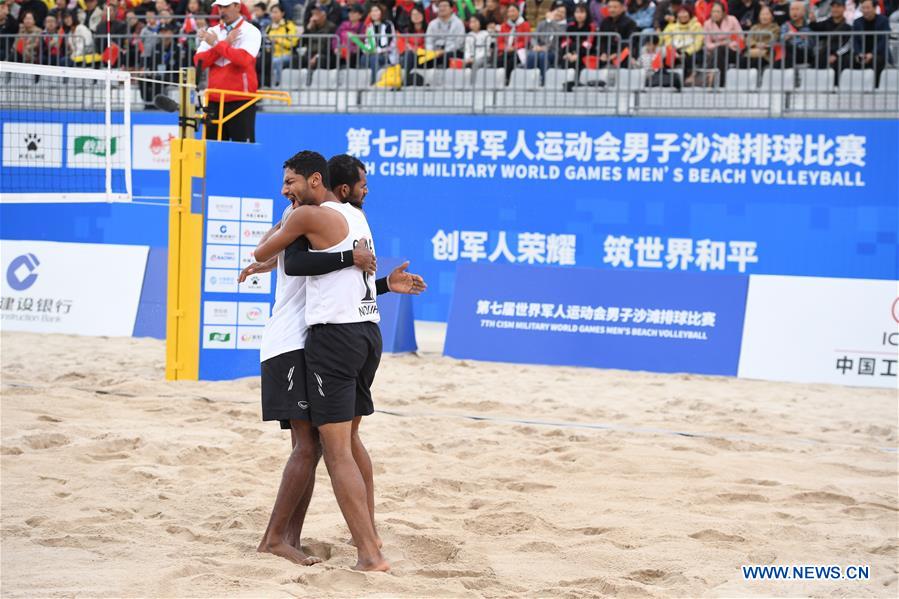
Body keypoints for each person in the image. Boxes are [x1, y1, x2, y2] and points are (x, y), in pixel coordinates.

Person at [250, 152, 386, 572]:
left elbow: (292, 261)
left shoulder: (319, 218)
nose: (284, 191)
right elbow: (282, 258)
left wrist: (379, 280)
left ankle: (291, 538)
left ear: (315, 180)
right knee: (314, 447)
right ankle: (279, 539)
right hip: (292, 344)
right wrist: (286, 224)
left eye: (290, 182)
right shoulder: (319, 217)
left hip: (312, 340)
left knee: (320, 446)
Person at [194, 0, 263, 142]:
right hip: (214, 100)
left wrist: (215, 43)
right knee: (212, 149)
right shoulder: (212, 31)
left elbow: (243, 60)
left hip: (241, 100)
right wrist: (225, 43)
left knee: (243, 150)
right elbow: (199, 62)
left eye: (225, 6)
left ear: (237, 6)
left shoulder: (251, 31)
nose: (222, 10)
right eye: (219, 6)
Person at [810, 0, 852, 85]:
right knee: (817, 61)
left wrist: (836, 55)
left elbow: (848, 45)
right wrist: (812, 22)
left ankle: (837, 87)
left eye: (838, 6)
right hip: (825, 53)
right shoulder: (825, 23)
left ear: (844, 8)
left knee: (843, 62)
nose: (835, 9)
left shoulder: (848, 27)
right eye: (833, 6)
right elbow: (815, 29)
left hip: (841, 55)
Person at [851, 0, 891, 86]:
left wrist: (872, 54)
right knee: (848, 60)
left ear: (875, 8)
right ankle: (854, 86)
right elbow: (855, 40)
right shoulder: (857, 22)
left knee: (877, 61)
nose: (865, 10)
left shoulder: (883, 20)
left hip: (878, 54)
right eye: (863, 8)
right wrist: (859, 53)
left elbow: (884, 40)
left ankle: (875, 86)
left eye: (868, 8)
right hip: (862, 54)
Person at [660, 4, 702, 84]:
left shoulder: (697, 26)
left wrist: (686, 53)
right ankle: (667, 80)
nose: (683, 15)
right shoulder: (671, 26)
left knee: (689, 58)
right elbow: (666, 39)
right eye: (680, 12)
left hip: (690, 52)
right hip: (675, 51)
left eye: (685, 12)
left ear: (689, 14)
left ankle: (686, 80)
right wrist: (674, 51)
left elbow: (698, 43)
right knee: (666, 58)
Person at [527, 0, 568, 84]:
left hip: (553, 51)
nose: (560, 14)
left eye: (563, 12)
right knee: (531, 55)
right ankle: (529, 79)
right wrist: (535, 46)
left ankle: (544, 81)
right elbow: (534, 37)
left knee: (543, 56)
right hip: (539, 49)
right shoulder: (542, 23)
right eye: (558, 11)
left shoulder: (564, 26)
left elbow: (559, 34)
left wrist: (552, 21)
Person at [702, 1, 741, 86]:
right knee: (719, 51)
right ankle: (718, 82)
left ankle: (710, 80)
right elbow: (707, 44)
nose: (715, 14)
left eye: (718, 11)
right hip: (716, 52)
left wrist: (728, 44)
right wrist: (722, 43)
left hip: (732, 51)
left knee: (719, 51)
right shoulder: (707, 24)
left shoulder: (732, 20)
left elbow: (740, 38)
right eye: (713, 11)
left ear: (723, 13)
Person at [422, 0, 465, 67]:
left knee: (447, 56)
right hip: (435, 52)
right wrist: (432, 52)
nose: (442, 8)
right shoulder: (432, 24)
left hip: (452, 52)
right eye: (440, 6)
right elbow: (428, 41)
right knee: (419, 57)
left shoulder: (458, 23)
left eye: (445, 6)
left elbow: (459, 43)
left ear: (451, 9)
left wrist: (444, 51)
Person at [495, 3, 530, 85]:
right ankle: (499, 80)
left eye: (513, 11)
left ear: (518, 12)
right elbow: (500, 41)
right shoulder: (504, 26)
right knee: (499, 60)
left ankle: (508, 79)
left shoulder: (525, 24)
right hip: (506, 50)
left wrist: (514, 47)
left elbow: (525, 40)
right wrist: (506, 47)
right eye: (509, 11)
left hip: (519, 51)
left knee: (512, 60)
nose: (511, 13)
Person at [266, 3, 298, 86]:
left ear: (282, 13)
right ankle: (264, 83)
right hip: (272, 54)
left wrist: (277, 40)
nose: (273, 15)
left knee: (276, 61)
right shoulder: (269, 27)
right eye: (272, 12)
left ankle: (277, 84)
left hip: (287, 54)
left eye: (276, 12)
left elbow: (292, 43)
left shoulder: (289, 25)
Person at [364, 4, 397, 84]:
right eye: (372, 11)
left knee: (374, 58)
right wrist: (367, 49)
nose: (374, 13)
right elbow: (367, 42)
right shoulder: (369, 26)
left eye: (376, 11)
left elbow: (392, 44)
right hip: (371, 54)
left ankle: (374, 81)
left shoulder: (388, 25)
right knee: (364, 58)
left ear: (381, 12)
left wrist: (379, 50)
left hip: (386, 55)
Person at [597, 0, 637, 66]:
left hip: (623, 55)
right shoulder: (604, 22)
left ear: (622, 8)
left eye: (615, 7)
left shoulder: (630, 23)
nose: (611, 10)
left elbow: (630, 43)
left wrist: (616, 54)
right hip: (607, 54)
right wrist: (603, 53)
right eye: (609, 7)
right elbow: (602, 40)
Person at [562, 1, 596, 76]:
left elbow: (589, 43)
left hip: (585, 55)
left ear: (587, 14)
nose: (579, 15)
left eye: (582, 12)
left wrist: (578, 54)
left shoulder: (591, 27)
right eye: (577, 12)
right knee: (564, 61)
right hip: (571, 54)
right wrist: (567, 53)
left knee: (577, 64)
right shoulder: (570, 26)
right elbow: (565, 41)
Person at [740, 3, 779, 70]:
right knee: (742, 61)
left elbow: (774, 39)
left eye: (767, 14)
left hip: (766, 54)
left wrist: (764, 45)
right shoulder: (755, 27)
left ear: (772, 17)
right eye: (762, 14)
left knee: (756, 63)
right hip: (752, 52)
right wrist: (756, 44)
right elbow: (749, 38)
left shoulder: (775, 28)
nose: (764, 17)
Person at [778, 1, 814, 68]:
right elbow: (781, 39)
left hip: (805, 53)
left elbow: (812, 44)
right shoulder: (785, 25)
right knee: (787, 48)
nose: (794, 12)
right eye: (792, 9)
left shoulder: (810, 25)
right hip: (790, 54)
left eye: (797, 9)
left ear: (804, 12)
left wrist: (807, 37)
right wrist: (787, 36)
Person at [302, 4, 337, 70]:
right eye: (313, 14)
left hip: (324, 55)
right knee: (296, 59)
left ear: (324, 15)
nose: (314, 17)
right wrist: (307, 29)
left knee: (320, 60)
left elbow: (329, 47)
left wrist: (317, 56)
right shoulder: (311, 26)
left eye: (317, 14)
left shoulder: (331, 27)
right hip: (309, 54)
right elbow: (301, 43)